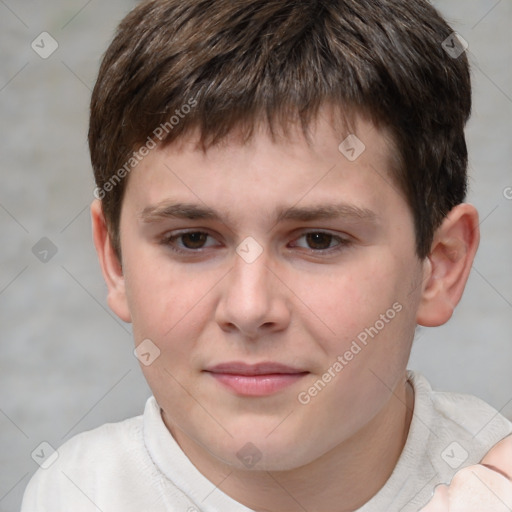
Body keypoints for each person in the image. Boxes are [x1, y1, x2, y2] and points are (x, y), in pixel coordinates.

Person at [21, 0, 512, 510]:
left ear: (440, 265)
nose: (250, 309)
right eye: (192, 239)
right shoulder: (77, 493)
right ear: (116, 261)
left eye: (318, 240)